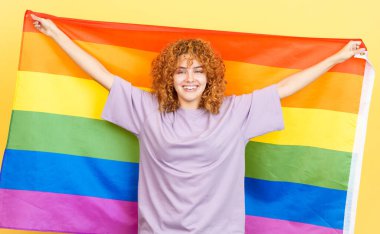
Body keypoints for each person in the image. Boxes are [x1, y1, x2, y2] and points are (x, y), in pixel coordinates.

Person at [31, 14, 365, 234]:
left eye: (198, 70)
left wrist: (336, 58)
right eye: (180, 70)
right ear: (169, 77)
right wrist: (57, 33)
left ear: (210, 77)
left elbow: (284, 89)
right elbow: (103, 76)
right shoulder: (147, 110)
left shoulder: (236, 113)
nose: (189, 79)